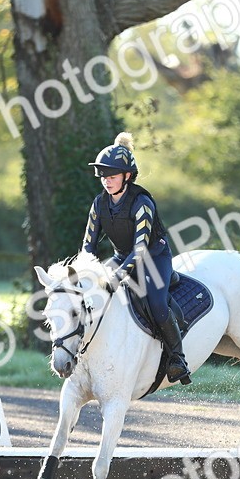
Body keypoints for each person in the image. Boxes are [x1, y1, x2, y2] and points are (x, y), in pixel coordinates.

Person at [82, 132, 191, 384]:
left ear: (127, 176)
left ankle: (178, 359)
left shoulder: (142, 202)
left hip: (154, 258)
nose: (106, 182)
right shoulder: (99, 204)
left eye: (112, 177)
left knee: (157, 305)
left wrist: (118, 276)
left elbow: (140, 249)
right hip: (121, 256)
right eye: (104, 178)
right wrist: (85, 274)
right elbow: (88, 246)